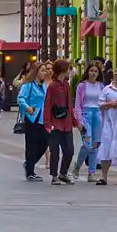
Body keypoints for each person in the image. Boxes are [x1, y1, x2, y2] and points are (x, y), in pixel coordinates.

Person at [43, 58, 76, 186]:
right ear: (63, 70)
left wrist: (74, 120)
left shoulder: (66, 84)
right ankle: (54, 175)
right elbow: (48, 104)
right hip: (55, 123)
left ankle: (63, 173)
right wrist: (47, 122)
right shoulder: (53, 85)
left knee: (69, 151)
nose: (70, 71)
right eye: (68, 69)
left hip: (66, 122)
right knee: (55, 151)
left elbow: (69, 104)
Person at [72, 62, 104, 181]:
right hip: (86, 115)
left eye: (96, 71)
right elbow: (78, 104)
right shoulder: (82, 86)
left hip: (98, 115)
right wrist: (79, 121)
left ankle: (91, 173)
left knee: (95, 145)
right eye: (91, 71)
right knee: (87, 143)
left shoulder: (101, 86)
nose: (94, 73)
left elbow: (103, 102)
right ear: (87, 72)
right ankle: (77, 167)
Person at [17, 63, 48, 181]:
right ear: (36, 71)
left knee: (45, 142)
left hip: (42, 118)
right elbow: (20, 99)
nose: (45, 73)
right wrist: (27, 108)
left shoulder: (44, 85)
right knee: (31, 144)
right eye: (43, 70)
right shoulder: (29, 85)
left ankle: (29, 163)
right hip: (32, 117)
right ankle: (30, 171)